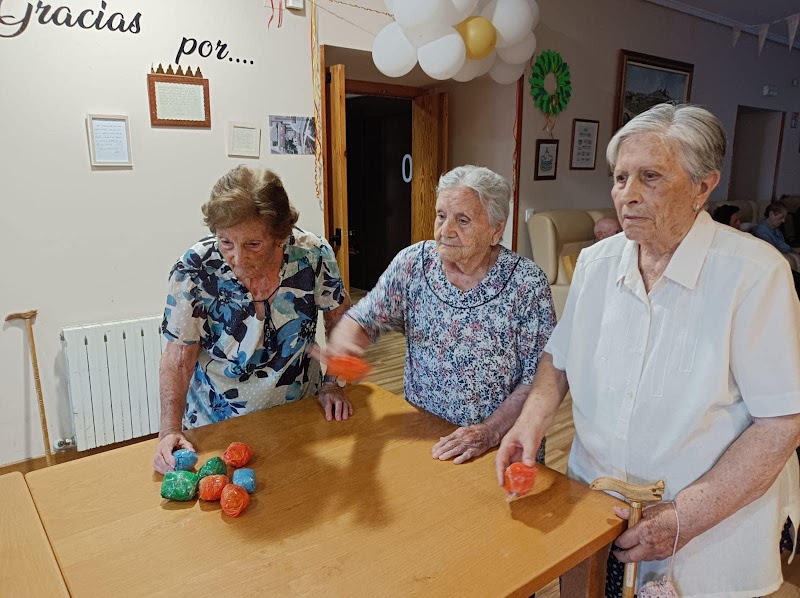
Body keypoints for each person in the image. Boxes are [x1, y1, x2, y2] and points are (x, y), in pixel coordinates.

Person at [496, 104, 800, 596]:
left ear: (703, 186)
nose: (627, 196)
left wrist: (683, 518)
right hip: (593, 507)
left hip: (704, 533)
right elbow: (559, 358)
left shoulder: (754, 274)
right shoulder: (595, 263)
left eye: (650, 177)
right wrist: (530, 422)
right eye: (620, 178)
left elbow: (780, 424)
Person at [325, 165, 556, 464]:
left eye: (463, 220)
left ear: (496, 229)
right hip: (426, 435)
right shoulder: (412, 264)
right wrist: (345, 341)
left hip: (501, 446)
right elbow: (365, 318)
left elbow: (537, 381)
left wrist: (488, 432)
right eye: (441, 215)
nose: (445, 231)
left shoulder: (526, 283)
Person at [153, 166, 351, 474]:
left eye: (253, 245)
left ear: (279, 235)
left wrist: (333, 383)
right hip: (216, 428)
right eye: (226, 242)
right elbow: (178, 359)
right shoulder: (195, 269)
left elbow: (340, 317)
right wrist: (169, 431)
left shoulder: (312, 255)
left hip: (297, 415)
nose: (237, 258)